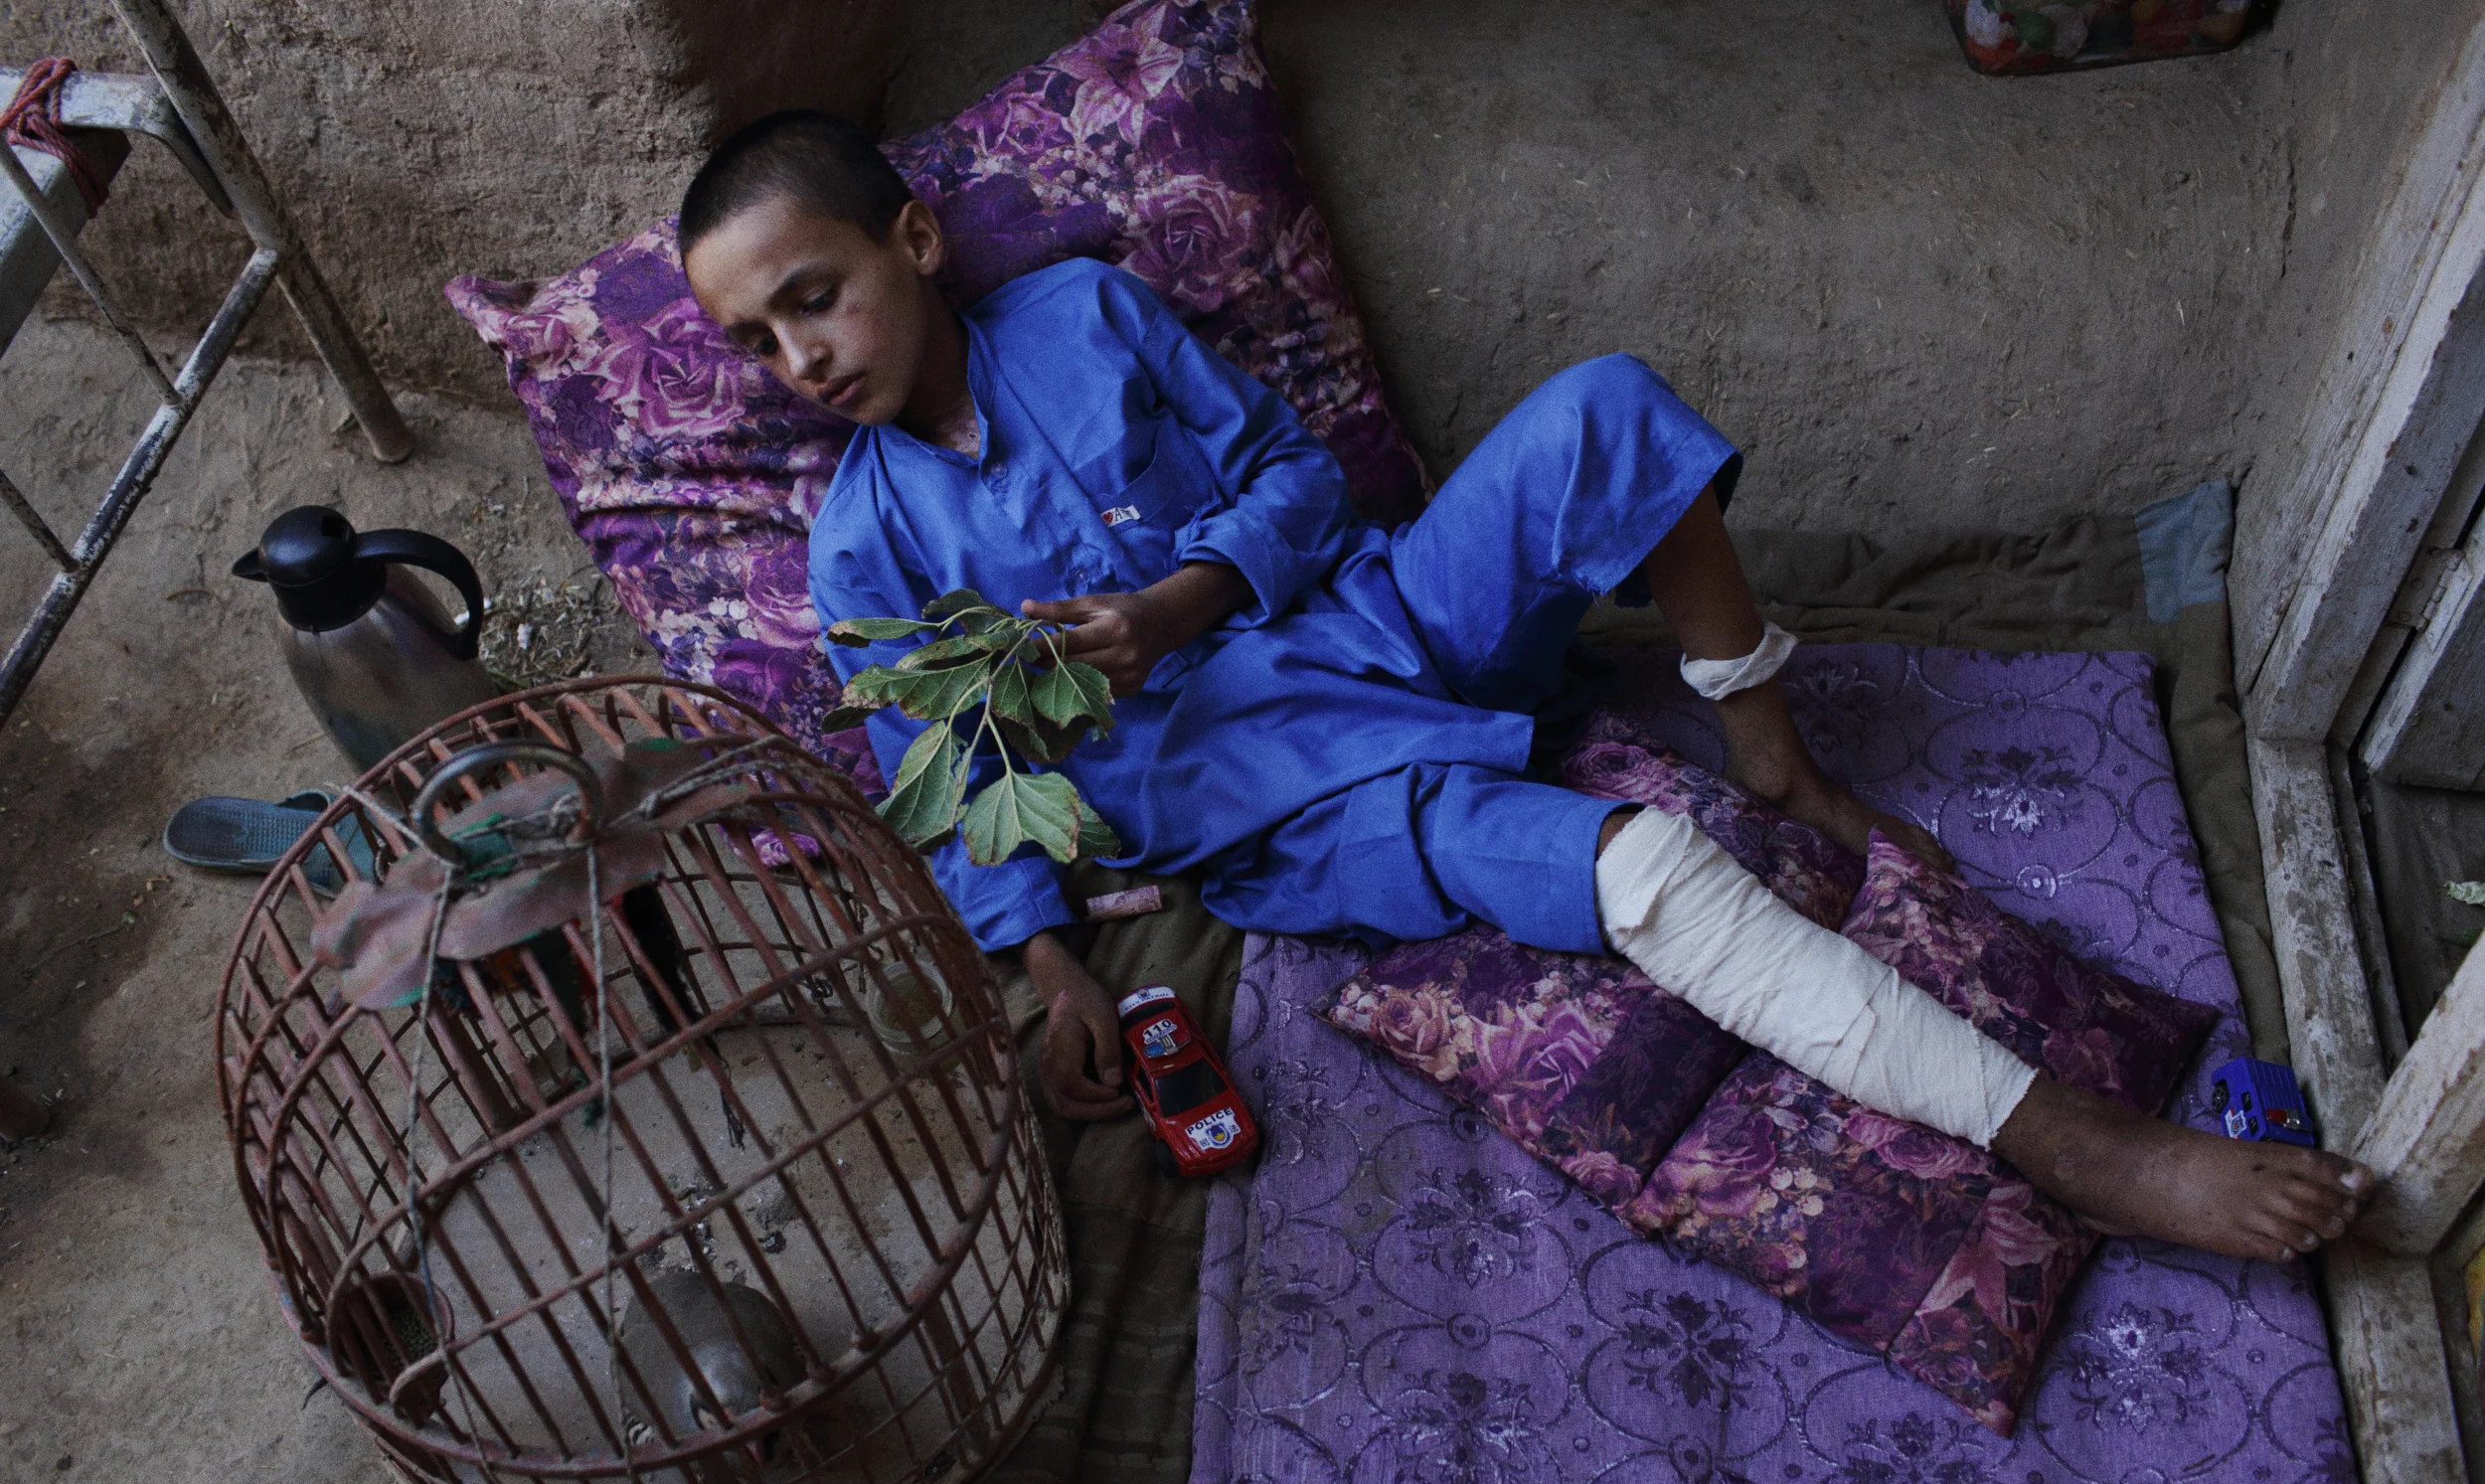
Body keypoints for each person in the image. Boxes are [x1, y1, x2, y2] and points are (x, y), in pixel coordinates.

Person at [678, 111, 2373, 1264]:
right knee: (1630, 863)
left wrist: (1179, 599)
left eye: (813, 299)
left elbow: (1298, 479)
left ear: (914, 240)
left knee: (1606, 412)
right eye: (757, 342)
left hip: (1376, 619)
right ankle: (2074, 1140)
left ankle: (1774, 759)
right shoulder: (863, 546)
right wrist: (1049, 960)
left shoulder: (1085, 317)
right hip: (1280, 806)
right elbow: (949, 772)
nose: (799, 359)